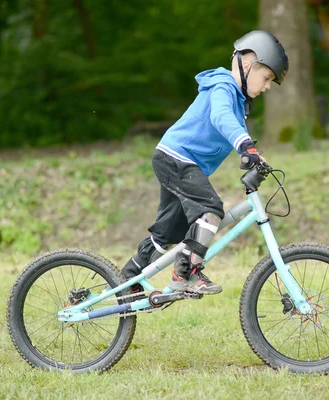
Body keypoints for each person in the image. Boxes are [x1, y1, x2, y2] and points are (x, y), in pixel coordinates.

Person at [121, 30, 289, 295]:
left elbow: (227, 127)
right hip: (176, 159)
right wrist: (245, 146)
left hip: (179, 162)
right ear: (248, 66)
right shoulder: (223, 86)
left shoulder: (237, 100)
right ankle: (186, 274)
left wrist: (253, 154)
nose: (267, 86)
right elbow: (221, 117)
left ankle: (127, 280)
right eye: (267, 78)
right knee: (209, 210)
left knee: (168, 234)